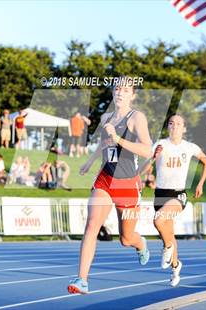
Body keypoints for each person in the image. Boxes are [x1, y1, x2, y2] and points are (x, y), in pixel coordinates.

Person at [67, 82, 152, 294]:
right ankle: (82, 280)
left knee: (126, 239)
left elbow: (147, 150)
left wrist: (118, 138)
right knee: (92, 225)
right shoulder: (106, 118)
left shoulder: (136, 118)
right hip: (105, 179)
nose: (119, 93)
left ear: (132, 95)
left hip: (126, 184)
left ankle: (140, 244)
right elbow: (104, 144)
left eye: (125, 90)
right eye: (117, 89)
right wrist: (91, 160)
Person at [141, 114, 206, 287]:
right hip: (160, 194)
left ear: (184, 128)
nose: (174, 126)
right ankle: (176, 266)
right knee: (169, 234)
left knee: (158, 220)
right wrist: (153, 157)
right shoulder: (160, 144)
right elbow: (145, 168)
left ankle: (166, 249)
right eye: (171, 123)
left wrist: (200, 184)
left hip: (178, 194)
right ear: (168, 127)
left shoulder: (190, 147)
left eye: (178, 123)